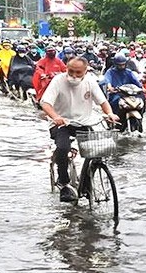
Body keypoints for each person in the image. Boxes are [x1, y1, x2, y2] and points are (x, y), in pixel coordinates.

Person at [40, 58, 119, 202]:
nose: (74, 75)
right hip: (61, 124)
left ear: (85, 71)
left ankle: (86, 183)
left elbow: (102, 101)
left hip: (83, 123)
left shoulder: (90, 82)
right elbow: (45, 103)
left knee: (95, 151)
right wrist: (56, 117)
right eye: (71, 71)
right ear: (66, 69)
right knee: (63, 148)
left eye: (78, 72)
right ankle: (63, 182)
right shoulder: (58, 81)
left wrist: (110, 114)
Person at [101, 54, 143, 127]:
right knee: (115, 102)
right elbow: (107, 80)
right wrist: (110, 87)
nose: (122, 66)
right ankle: (114, 120)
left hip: (130, 94)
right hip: (116, 93)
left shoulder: (128, 72)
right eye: (120, 65)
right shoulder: (110, 72)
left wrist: (141, 88)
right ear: (115, 64)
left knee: (142, 100)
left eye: (123, 64)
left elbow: (136, 82)